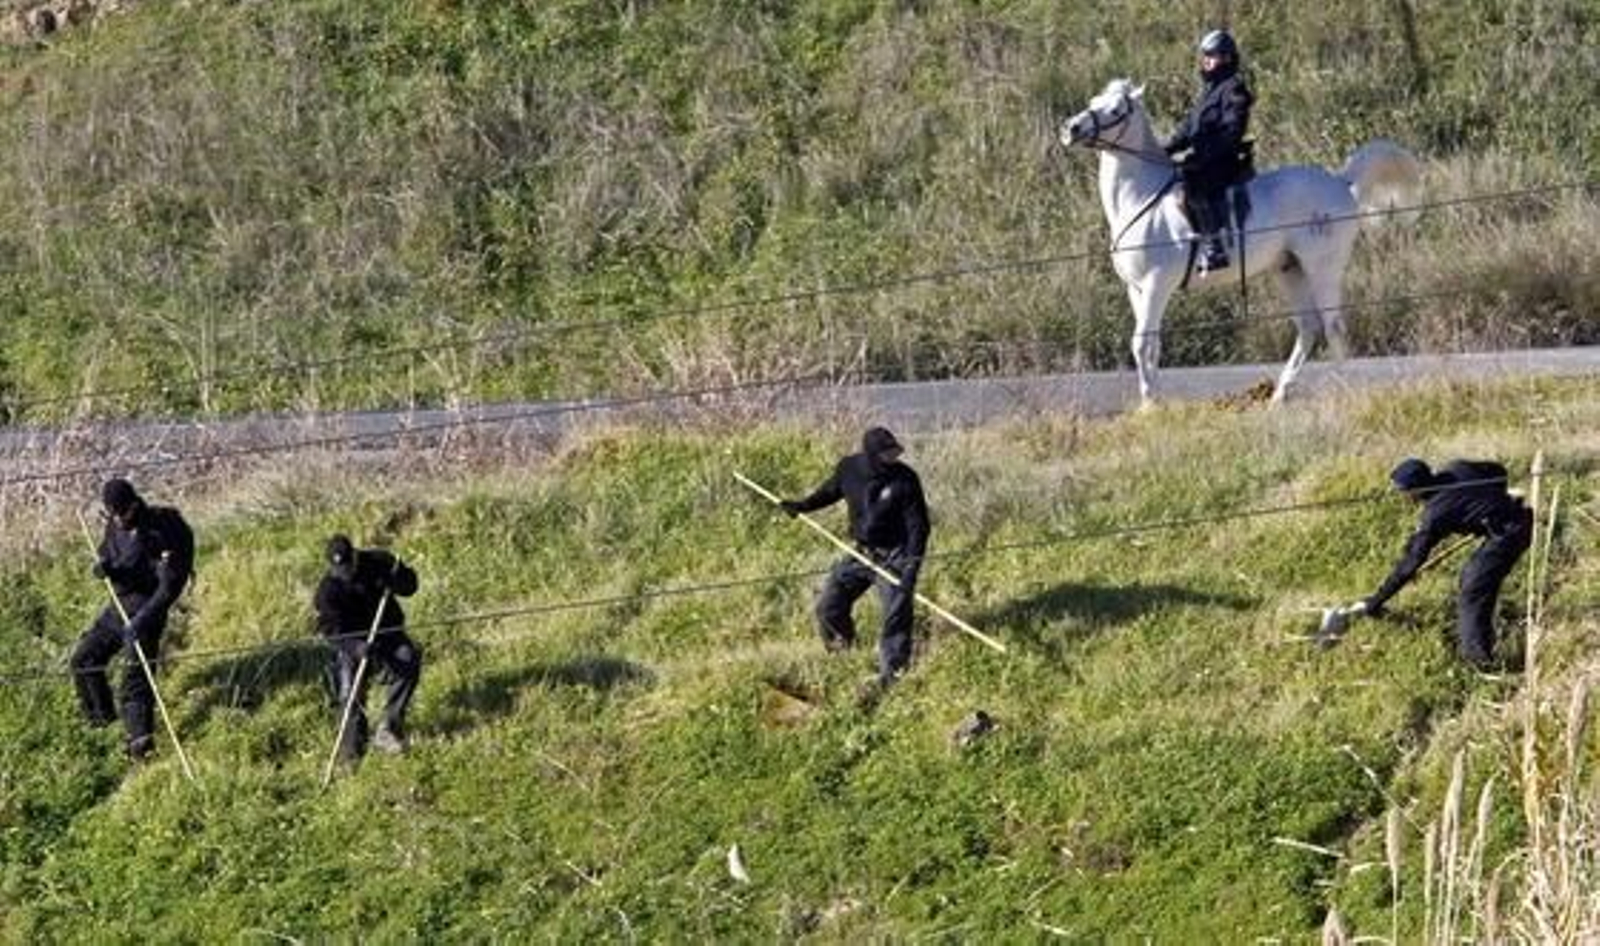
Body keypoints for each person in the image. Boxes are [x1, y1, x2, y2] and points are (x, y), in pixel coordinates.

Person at [780, 427, 931, 697]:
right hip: (861, 553)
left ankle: (893, 675)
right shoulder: (849, 468)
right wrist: (802, 506)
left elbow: (919, 528)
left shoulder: (905, 480)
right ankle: (843, 652)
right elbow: (829, 492)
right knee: (829, 605)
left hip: (895, 555)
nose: (894, 457)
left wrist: (910, 568)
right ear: (872, 455)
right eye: (887, 454)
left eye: (895, 451)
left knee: (895, 616)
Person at [1356, 458, 1532, 668]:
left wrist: (1376, 601)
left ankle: (1479, 662)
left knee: (1472, 588)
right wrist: (1494, 504)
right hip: (1514, 517)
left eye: (1402, 491)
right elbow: (1498, 470)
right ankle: (1481, 648)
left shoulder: (1434, 514)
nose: (1401, 496)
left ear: (1416, 490)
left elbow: (1411, 562)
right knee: (1474, 578)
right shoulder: (1455, 468)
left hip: (1510, 533)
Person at [70, 478, 195, 760]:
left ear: (134, 505)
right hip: (118, 606)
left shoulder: (163, 531)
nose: (117, 520)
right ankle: (101, 722)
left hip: (148, 609)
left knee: (134, 680)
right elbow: (107, 550)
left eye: (121, 514)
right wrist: (105, 567)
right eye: (111, 514)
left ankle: (141, 744)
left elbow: (168, 588)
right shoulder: (115, 522)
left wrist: (142, 621)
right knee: (84, 661)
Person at [314, 535, 422, 760]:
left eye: (348, 566)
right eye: (340, 570)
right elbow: (331, 631)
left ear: (354, 555)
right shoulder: (328, 591)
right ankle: (351, 753)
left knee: (408, 659)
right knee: (350, 693)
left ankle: (389, 728)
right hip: (353, 645)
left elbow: (411, 585)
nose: (346, 573)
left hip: (387, 633)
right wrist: (355, 646)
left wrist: (399, 581)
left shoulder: (379, 561)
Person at [1163, 28, 1254, 273]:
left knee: (1194, 184)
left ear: (1225, 58)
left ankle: (1215, 249)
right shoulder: (1209, 90)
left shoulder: (1234, 88)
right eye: (1204, 54)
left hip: (1224, 160)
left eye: (1211, 55)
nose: (1205, 59)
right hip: (1205, 157)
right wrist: (1167, 148)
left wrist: (1204, 153)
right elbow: (1189, 127)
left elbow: (1232, 132)